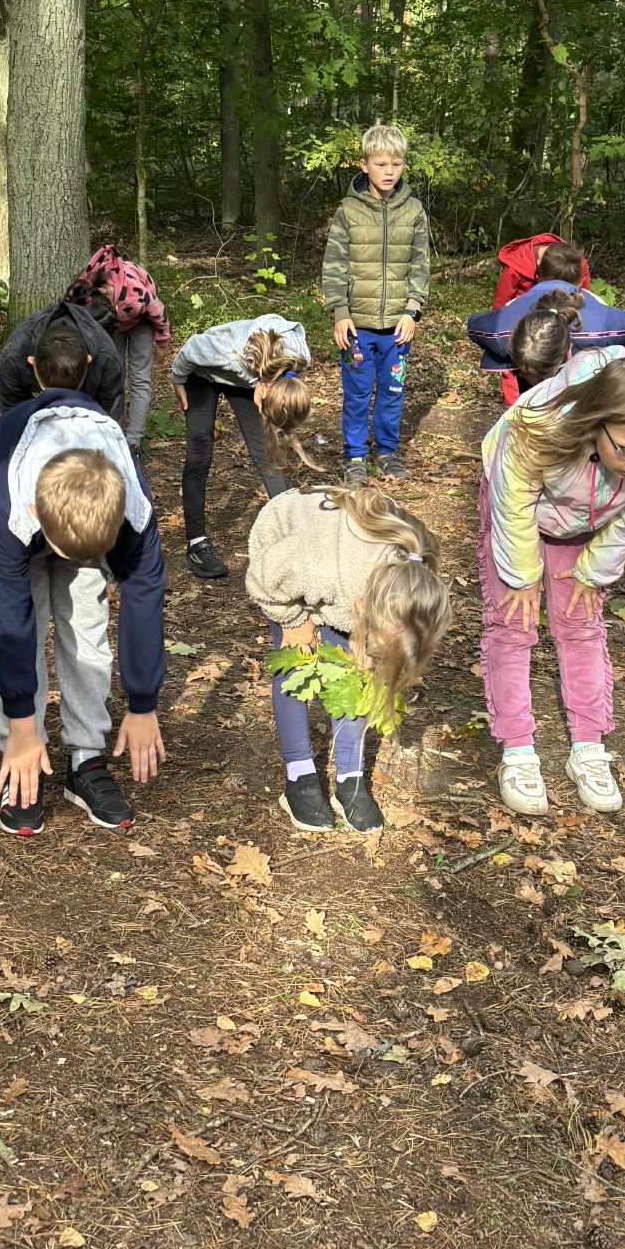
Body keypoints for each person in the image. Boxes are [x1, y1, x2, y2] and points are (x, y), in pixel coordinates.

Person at [480, 355, 625, 818]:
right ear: (597, 423)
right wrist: (522, 576)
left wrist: (592, 571)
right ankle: (517, 749)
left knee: (580, 625)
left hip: (585, 526)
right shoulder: (536, 429)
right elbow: (514, 502)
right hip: (519, 512)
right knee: (512, 624)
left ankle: (589, 746)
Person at [0, 374, 166, 835]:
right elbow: (8, 624)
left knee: (87, 623)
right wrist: (21, 722)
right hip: (2, 485)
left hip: (81, 504)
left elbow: (144, 597)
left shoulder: (135, 511)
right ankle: (23, 751)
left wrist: (143, 703)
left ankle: (86, 757)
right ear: (36, 516)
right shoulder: (10, 512)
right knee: (31, 621)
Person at [246, 486, 450, 834]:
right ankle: (299, 775)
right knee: (296, 661)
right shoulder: (318, 568)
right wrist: (294, 622)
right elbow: (263, 580)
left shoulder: (416, 573)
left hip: (342, 572)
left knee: (354, 673)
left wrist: (371, 653)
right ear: (361, 609)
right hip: (283, 563)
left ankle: (349, 778)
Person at [323, 123, 430, 483]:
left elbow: (420, 264)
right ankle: (355, 456)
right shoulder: (348, 210)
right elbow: (334, 264)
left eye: (396, 165)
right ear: (364, 165)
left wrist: (412, 310)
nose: (389, 172)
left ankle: (386, 452)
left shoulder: (413, 210)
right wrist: (340, 312)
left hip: (398, 326)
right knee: (357, 394)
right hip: (357, 325)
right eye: (381, 164)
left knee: (392, 392)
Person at [171, 314, 312, 581]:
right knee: (200, 452)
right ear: (265, 388)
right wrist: (178, 380)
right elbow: (190, 349)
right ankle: (196, 543)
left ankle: (293, 534)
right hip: (202, 373)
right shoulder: (227, 353)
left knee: (266, 452)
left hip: (249, 377)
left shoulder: (297, 358)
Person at [465, 282, 625, 399]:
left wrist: (613, 359)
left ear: (566, 353)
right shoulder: (498, 333)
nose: (524, 374)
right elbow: (472, 325)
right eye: (524, 371)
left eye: (536, 375)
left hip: (585, 331)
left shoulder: (601, 331)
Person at [69, 244, 171, 456]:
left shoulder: (135, 293)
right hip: (114, 323)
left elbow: (158, 311)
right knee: (114, 374)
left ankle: (134, 442)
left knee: (139, 378)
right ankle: (112, 433)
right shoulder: (85, 289)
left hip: (143, 320)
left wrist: (162, 342)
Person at [489, 238, 593, 405]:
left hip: (562, 328)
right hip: (522, 331)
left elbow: (585, 302)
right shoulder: (516, 267)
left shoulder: (576, 263)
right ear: (538, 269)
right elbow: (499, 311)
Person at [0, 287, 124, 421]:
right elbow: (7, 420)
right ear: (32, 361)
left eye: (69, 393)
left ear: (88, 360)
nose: (60, 405)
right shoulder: (14, 358)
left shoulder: (106, 360)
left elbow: (110, 423)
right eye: (50, 393)